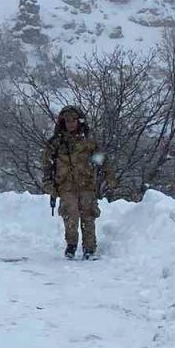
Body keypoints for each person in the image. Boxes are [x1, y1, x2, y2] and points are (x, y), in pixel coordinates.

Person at [41, 105, 112, 259]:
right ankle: (71, 246)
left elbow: (101, 160)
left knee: (88, 217)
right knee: (70, 217)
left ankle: (89, 249)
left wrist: (108, 177)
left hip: (86, 185)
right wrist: (49, 184)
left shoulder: (88, 141)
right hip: (65, 186)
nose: (70, 123)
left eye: (73, 120)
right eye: (67, 121)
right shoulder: (56, 143)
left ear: (79, 121)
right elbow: (47, 165)